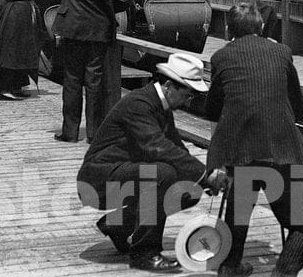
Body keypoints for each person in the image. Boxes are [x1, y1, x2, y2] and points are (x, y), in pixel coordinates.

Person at [79, 52, 227, 272]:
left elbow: (176, 148)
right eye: (187, 95)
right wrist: (205, 174)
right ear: (169, 85)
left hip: (122, 174)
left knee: (189, 191)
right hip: (98, 181)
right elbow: (157, 147)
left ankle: (117, 225)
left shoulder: (159, 104)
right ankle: (144, 253)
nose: (189, 101)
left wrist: (203, 181)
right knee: (161, 174)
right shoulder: (140, 104)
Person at [205, 1, 303, 277]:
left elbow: (211, 108)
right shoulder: (281, 52)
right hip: (280, 148)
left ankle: (230, 266)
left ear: (229, 30)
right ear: (261, 27)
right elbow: (298, 104)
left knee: (240, 208)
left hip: (240, 148)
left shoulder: (221, 57)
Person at [40, 0, 132, 143]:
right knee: (94, 82)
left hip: (72, 29)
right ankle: (94, 133)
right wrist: (106, 7)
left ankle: (70, 132)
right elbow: (124, 0)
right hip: (99, 31)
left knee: (71, 80)